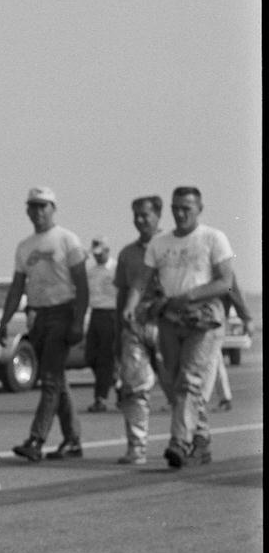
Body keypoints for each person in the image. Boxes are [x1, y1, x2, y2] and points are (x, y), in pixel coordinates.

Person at [131, 185, 235, 468]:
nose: (180, 213)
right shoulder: (160, 243)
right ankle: (200, 442)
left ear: (199, 209)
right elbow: (142, 280)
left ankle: (179, 442)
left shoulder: (213, 238)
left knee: (190, 380)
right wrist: (131, 306)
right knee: (178, 382)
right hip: (170, 318)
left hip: (203, 317)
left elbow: (225, 281)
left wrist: (192, 295)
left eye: (186, 208)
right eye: (175, 207)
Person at [0, 187, 88, 462]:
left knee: (49, 380)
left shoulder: (67, 240)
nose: (37, 212)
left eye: (43, 206)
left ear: (53, 208)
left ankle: (36, 439)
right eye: (33, 207)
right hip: (38, 316)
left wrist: (78, 322)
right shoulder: (25, 246)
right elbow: (16, 287)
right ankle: (72, 440)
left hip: (62, 312)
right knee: (56, 380)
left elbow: (82, 286)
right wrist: (4, 321)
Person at [113, 195, 166, 466]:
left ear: (159, 215)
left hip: (168, 324)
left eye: (145, 214)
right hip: (135, 326)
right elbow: (123, 293)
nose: (140, 220)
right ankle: (137, 447)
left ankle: (190, 440)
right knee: (134, 388)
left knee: (178, 386)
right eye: (136, 215)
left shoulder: (172, 246)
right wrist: (118, 332)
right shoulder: (127, 254)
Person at [207, 275, 252, 411]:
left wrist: (246, 318)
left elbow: (234, 292)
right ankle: (225, 398)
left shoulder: (220, 266)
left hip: (214, 320)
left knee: (211, 360)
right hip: (209, 320)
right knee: (216, 359)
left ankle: (199, 402)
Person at [83, 237, 118, 411]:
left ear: (107, 251)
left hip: (111, 313)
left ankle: (101, 398)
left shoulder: (115, 268)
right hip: (96, 313)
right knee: (91, 356)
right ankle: (115, 380)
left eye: (100, 254)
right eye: (95, 255)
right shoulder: (91, 271)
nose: (97, 257)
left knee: (105, 358)